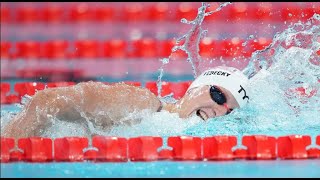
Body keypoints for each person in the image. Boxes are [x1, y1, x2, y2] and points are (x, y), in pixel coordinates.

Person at [2, 66, 250, 139]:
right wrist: (11, 150)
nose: (220, 110)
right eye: (218, 96)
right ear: (196, 87)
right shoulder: (143, 104)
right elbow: (47, 101)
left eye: (229, 111)